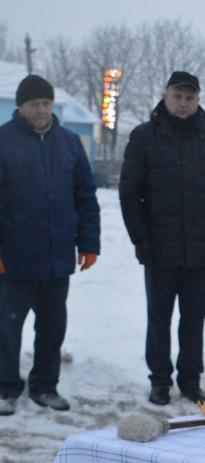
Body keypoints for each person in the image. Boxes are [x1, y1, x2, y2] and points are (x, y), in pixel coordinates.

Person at [119, 71, 205, 406]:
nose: (184, 103)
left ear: (198, 100)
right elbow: (130, 193)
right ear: (165, 96)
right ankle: (159, 380)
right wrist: (141, 240)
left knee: (193, 318)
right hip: (158, 249)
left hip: (201, 249)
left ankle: (190, 379)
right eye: (178, 96)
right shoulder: (144, 137)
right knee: (158, 318)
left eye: (190, 97)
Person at [0, 75, 100, 416]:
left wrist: (89, 243)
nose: (41, 109)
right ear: (21, 107)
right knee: (7, 328)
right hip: (13, 258)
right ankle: (5, 388)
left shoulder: (70, 143)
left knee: (52, 327)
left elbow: (85, 197)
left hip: (57, 258)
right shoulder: (3, 141)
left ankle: (45, 385)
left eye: (45, 103)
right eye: (33, 104)